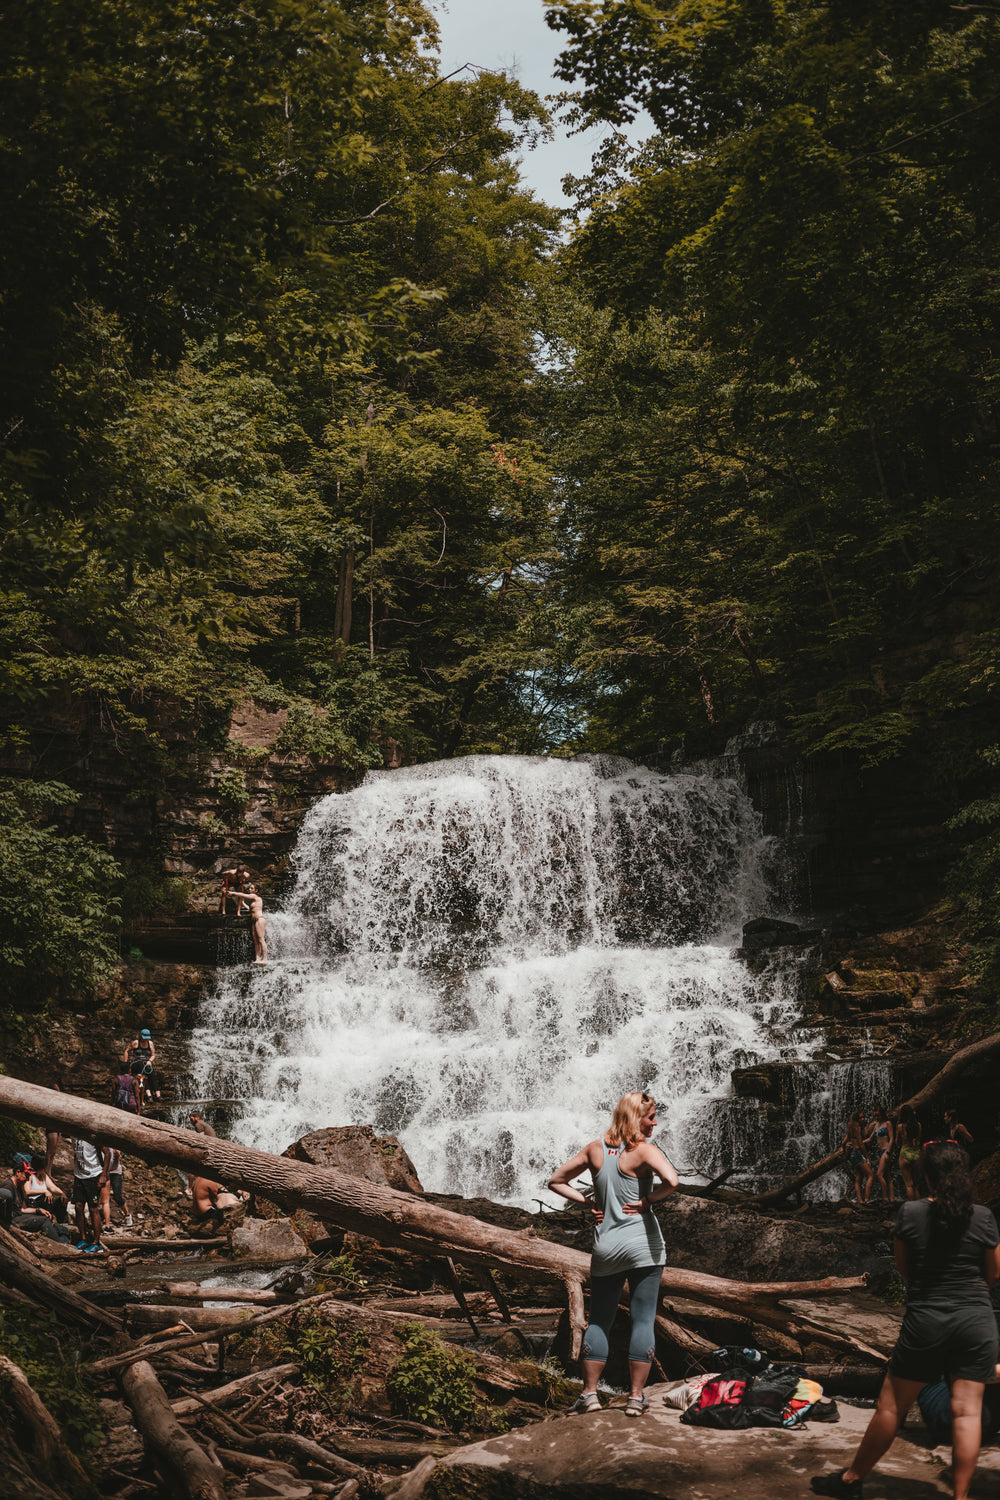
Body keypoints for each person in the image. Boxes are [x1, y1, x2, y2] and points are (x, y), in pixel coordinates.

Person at [811, 1140, 1000, 1500]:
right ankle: (960, 1497)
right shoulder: (983, 1216)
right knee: (967, 1413)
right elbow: (993, 1273)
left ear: (926, 1176)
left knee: (892, 1406)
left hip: (926, 1318)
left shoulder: (911, 1213)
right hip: (976, 1321)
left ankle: (852, 1480)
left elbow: (904, 1269)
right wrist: (971, 1297)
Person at [548, 1090, 679, 1417]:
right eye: (651, 1117)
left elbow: (556, 1180)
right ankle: (636, 1399)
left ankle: (590, 1394)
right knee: (643, 1319)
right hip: (644, 1246)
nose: (655, 1122)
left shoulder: (595, 1149)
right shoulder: (645, 1151)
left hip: (607, 1248)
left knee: (600, 1320)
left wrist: (588, 1202)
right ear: (636, 1118)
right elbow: (673, 1181)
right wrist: (648, 1201)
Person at [71, 1136, 111, 1254]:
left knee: (93, 1208)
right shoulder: (72, 1133)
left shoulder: (92, 1134)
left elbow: (107, 1153)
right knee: (78, 1206)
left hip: (93, 1175)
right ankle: (83, 1238)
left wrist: (104, 1174)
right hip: (79, 1175)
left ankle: (96, 1242)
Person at [842, 1110, 873, 1206]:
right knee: (871, 1176)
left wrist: (844, 1152)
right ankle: (867, 1200)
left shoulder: (850, 1128)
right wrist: (867, 1157)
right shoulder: (857, 1127)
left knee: (858, 1178)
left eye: (863, 1117)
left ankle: (860, 1201)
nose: (863, 1119)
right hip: (858, 1153)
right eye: (860, 1117)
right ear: (856, 1119)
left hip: (852, 1155)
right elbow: (860, 1144)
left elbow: (843, 1143)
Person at [123, 1028, 161, 1102]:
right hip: (136, 1063)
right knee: (141, 1068)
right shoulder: (135, 1043)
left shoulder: (150, 1044)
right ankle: (149, 1095)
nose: (145, 1039)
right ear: (140, 1035)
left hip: (146, 1063)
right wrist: (126, 1063)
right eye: (144, 1038)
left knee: (152, 1074)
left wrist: (150, 1061)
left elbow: (153, 1055)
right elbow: (126, 1051)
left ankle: (158, 1095)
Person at [866, 1106, 895, 1205]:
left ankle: (884, 1198)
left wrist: (888, 1152)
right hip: (879, 1152)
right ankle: (892, 1198)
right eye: (875, 1115)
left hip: (886, 1151)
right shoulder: (876, 1125)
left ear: (882, 1114)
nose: (876, 1117)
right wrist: (859, 1143)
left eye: (878, 1115)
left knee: (879, 1175)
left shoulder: (888, 1123)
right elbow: (870, 1139)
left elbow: (892, 1138)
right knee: (887, 1176)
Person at [100, 1147, 133, 1231]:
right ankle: (106, 1220)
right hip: (103, 1171)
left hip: (115, 1172)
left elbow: (117, 1154)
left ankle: (127, 1214)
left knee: (117, 1196)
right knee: (102, 1197)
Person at [897, 1104, 922, 1201]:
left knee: (909, 1185)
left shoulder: (901, 1126)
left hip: (905, 1153)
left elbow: (897, 1141)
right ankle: (918, 1207)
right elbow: (919, 1138)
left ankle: (912, 1207)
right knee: (915, 1185)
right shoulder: (919, 1125)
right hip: (916, 1153)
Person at [242, 885, 268, 963]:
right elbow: (250, 909)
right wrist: (242, 902)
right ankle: (257, 958)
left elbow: (244, 895)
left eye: (251, 888)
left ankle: (264, 959)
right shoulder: (254, 901)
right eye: (249, 888)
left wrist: (233, 893)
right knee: (256, 941)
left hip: (259, 919)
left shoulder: (255, 897)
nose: (249, 889)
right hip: (254, 921)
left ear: (256, 890)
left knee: (261, 939)